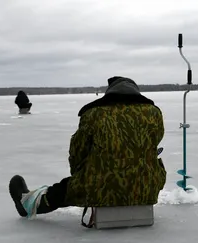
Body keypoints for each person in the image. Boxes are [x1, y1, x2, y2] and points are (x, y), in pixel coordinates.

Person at [9, 76, 167, 227]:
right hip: (147, 188)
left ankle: (27, 205)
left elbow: (78, 151)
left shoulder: (94, 114)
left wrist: (79, 176)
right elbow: (154, 143)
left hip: (99, 188)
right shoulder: (154, 113)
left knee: (62, 190)